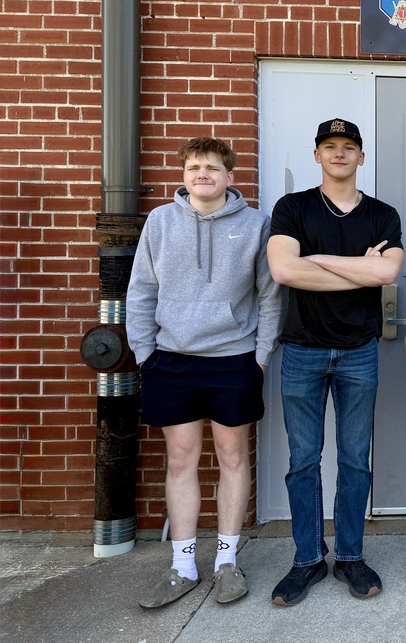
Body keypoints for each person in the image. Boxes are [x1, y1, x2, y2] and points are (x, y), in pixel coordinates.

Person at [127, 136, 285, 608]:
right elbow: (141, 290)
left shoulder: (257, 225)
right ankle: (182, 568)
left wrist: (259, 356)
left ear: (229, 177)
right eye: (194, 167)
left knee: (233, 458)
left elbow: (270, 296)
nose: (203, 174)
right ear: (183, 174)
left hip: (233, 361)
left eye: (213, 168)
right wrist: (143, 354)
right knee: (181, 460)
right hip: (170, 360)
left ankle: (226, 563)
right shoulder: (160, 221)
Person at [266, 118, 403, 605]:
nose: (339, 153)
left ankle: (349, 557)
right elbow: (283, 268)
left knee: (353, 461)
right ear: (317, 154)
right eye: (330, 146)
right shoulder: (293, 207)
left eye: (348, 147)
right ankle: (306, 561)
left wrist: (318, 261)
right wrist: (357, 270)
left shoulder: (383, 215)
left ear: (361, 157)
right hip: (302, 349)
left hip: (359, 352)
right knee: (303, 461)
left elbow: (387, 271)